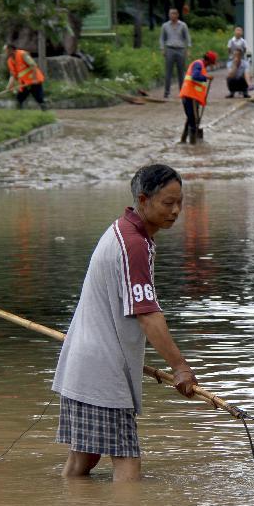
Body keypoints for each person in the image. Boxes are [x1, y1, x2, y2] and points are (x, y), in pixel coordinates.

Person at [52, 164, 198, 482]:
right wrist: (180, 367)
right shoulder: (133, 245)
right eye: (167, 203)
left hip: (83, 362)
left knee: (83, 459)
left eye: (179, 202)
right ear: (143, 201)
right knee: (127, 463)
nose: (176, 211)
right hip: (102, 369)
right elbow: (147, 314)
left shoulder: (123, 231)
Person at [179, 50, 215, 145]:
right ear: (208, 61)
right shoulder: (198, 64)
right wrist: (206, 77)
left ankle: (183, 141)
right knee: (193, 121)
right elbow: (195, 76)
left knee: (191, 119)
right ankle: (193, 145)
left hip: (192, 97)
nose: (210, 66)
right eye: (211, 64)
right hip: (189, 97)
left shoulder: (200, 66)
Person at [159, 8, 191, 99]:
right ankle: (167, 92)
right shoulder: (165, 26)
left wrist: (188, 49)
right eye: (170, 14)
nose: (172, 15)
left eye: (174, 14)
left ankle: (182, 92)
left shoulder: (183, 25)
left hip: (180, 49)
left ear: (177, 15)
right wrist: (162, 48)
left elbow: (187, 37)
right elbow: (162, 38)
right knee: (168, 71)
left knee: (181, 72)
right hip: (169, 49)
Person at [5, 43, 47, 110]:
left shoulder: (22, 54)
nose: (5, 52)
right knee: (19, 99)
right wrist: (9, 86)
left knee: (39, 98)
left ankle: (46, 113)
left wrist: (34, 79)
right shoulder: (10, 61)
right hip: (24, 83)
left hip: (34, 81)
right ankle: (19, 115)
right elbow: (13, 75)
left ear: (11, 50)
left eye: (6, 50)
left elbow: (33, 65)